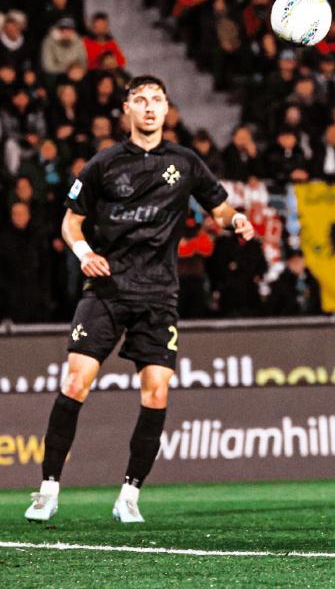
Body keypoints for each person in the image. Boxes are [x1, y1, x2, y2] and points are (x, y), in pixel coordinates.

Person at [24, 75, 255, 524]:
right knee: (75, 382)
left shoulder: (185, 162)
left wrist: (237, 220)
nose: (149, 107)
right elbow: (71, 222)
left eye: (157, 100)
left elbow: (219, 209)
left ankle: (129, 495)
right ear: (126, 109)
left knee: (156, 392)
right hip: (107, 289)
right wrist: (85, 253)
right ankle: (48, 490)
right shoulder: (103, 164)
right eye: (140, 100)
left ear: (167, 109)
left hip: (158, 294)